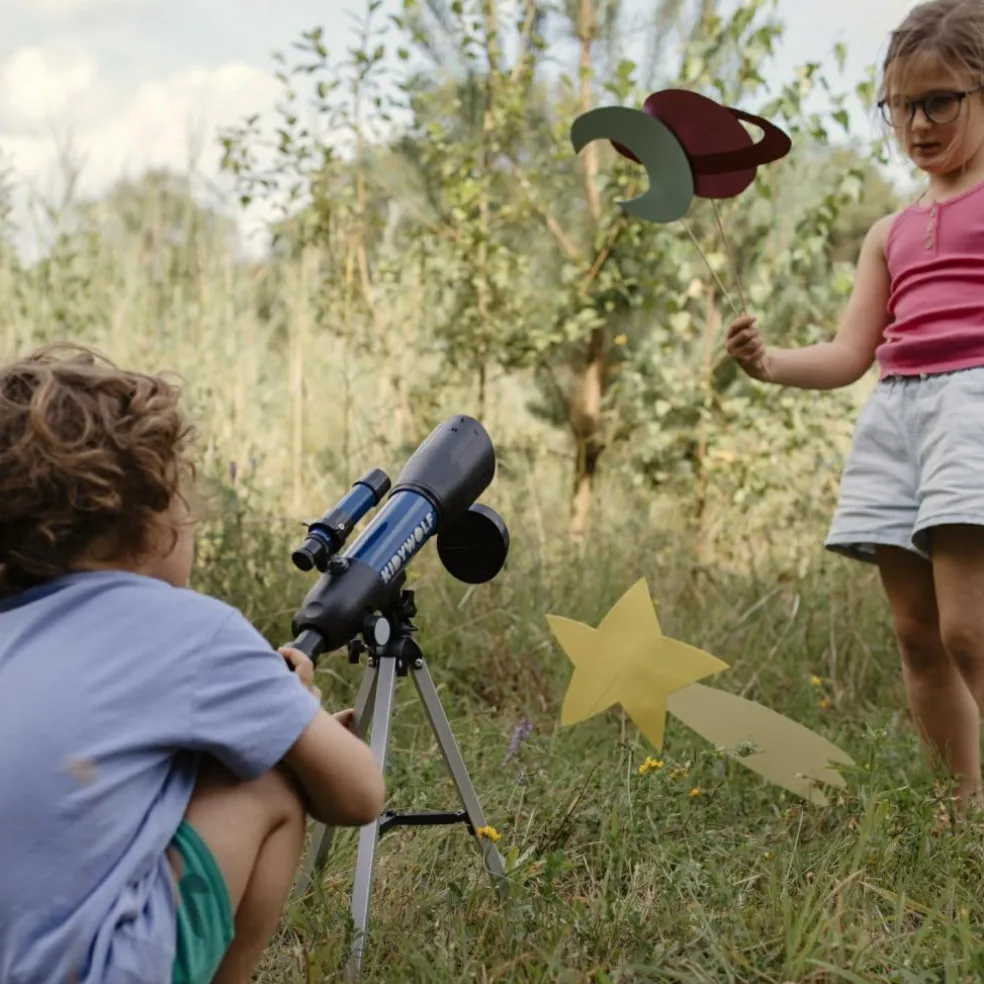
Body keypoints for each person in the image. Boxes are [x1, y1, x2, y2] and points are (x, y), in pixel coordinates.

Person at [0, 343, 386, 984]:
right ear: (152, 519)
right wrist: (291, 717)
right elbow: (359, 793)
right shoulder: (195, 632)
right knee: (267, 783)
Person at [728, 0, 984, 810]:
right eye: (901, 105)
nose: (917, 122)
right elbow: (849, 353)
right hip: (895, 421)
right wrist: (769, 364)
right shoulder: (890, 230)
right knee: (918, 639)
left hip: (973, 408)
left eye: (939, 100)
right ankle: (958, 815)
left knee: (968, 631)